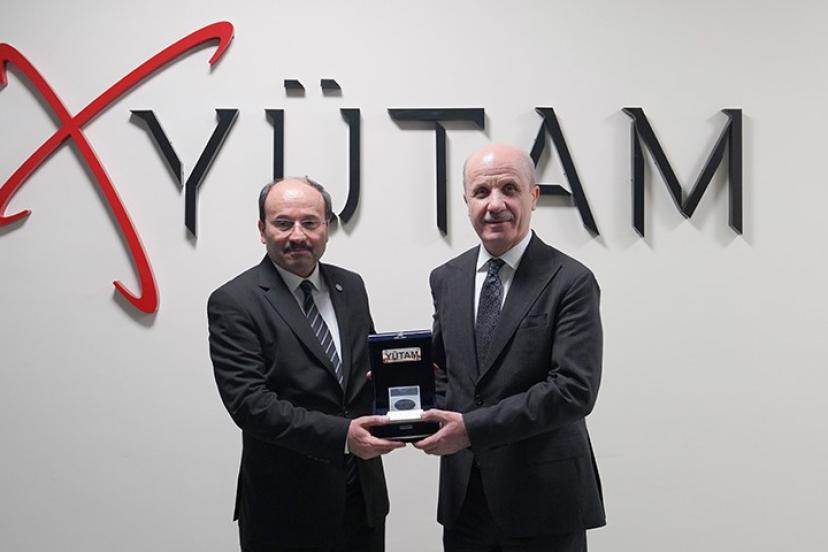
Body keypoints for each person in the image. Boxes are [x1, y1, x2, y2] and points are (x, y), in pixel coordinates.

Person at [414, 144, 606, 552]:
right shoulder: (446, 278)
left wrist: (471, 429)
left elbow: (573, 390)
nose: (495, 204)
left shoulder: (571, 281)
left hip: (545, 501)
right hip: (466, 501)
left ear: (533, 196)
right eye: (481, 192)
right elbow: (449, 374)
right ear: (466, 201)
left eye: (509, 188)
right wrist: (409, 397)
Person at [208, 177, 404, 552]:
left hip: (361, 501)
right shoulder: (234, 301)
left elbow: (366, 375)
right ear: (262, 229)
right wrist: (343, 436)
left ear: (326, 228)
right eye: (283, 223)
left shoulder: (351, 286)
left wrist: (408, 381)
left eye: (310, 222)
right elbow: (250, 405)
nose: (298, 235)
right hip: (284, 510)